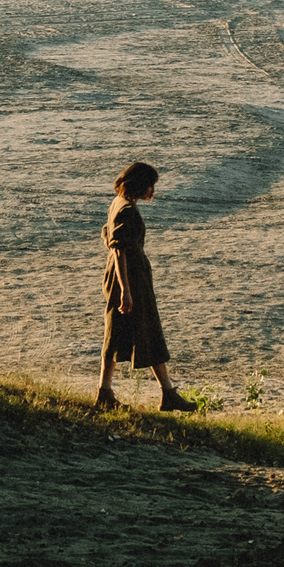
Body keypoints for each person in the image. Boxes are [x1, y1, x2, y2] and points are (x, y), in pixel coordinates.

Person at [97, 161, 192, 412]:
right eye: (151, 185)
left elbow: (106, 235)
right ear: (140, 184)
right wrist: (126, 290)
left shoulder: (118, 202)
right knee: (142, 330)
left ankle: (110, 392)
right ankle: (164, 393)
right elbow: (117, 248)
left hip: (124, 274)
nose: (153, 191)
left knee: (121, 332)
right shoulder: (127, 209)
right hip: (130, 277)